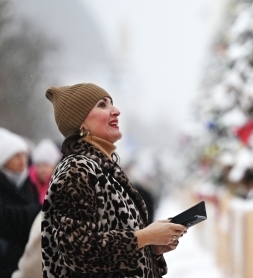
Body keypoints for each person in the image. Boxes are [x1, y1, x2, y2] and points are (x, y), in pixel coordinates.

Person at [43, 83, 187, 277]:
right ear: (81, 123)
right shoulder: (76, 170)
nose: (116, 111)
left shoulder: (102, 169)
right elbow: (78, 251)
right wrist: (144, 236)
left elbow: (111, 254)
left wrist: (150, 248)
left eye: (112, 104)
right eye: (102, 105)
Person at [0, 128, 40, 278]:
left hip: (29, 258)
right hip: (1, 265)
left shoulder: (30, 185)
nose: (22, 160)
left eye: (24, 154)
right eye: (15, 156)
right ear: (3, 159)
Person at [29, 139, 61, 204]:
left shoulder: (58, 183)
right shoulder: (29, 183)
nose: (42, 169)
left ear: (53, 166)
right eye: (39, 166)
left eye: (46, 165)